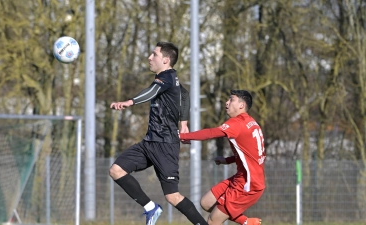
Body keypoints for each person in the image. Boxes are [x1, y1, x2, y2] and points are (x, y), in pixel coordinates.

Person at [109, 42, 208, 225]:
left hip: (165, 145)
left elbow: (152, 91)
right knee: (116, 170)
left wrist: (129, 102)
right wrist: (184, 124)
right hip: (149, 143)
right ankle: (150, 208)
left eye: (153, 54)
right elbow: (184, 95)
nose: (149, 57)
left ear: (165, 59)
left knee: (173, 196)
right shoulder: (172, 79)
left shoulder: (167, 77)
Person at [179, 90, 266, 225]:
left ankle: (245, 222)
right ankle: (246, 222)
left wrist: (182, 136)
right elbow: (252, 154)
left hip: (248, 184)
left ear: (241, 105)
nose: (227, 102)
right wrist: (228, 160)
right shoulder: (251, 122)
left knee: (213, 221)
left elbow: (211, 133)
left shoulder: (237, 123)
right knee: (206, 203)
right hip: (243, 177)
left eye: (231, 100)